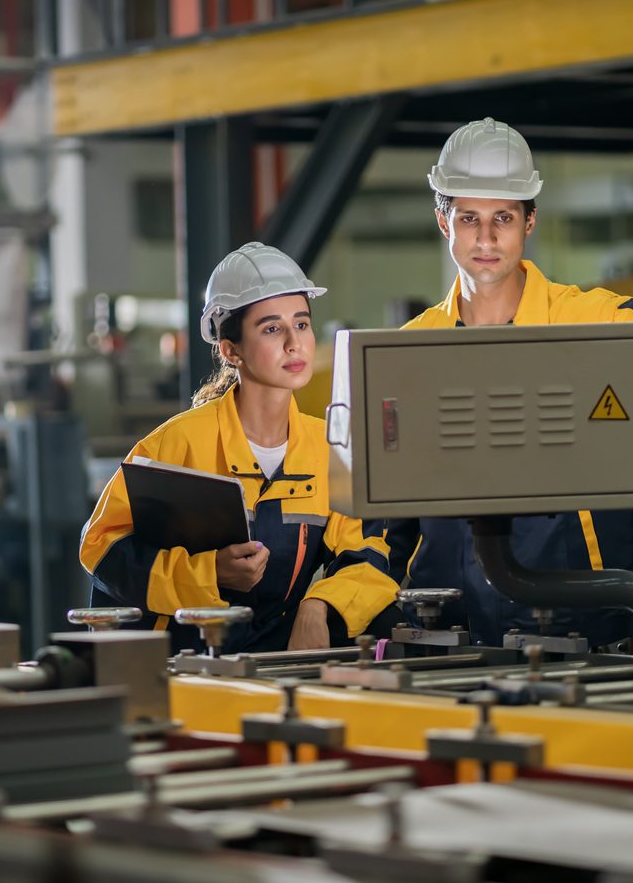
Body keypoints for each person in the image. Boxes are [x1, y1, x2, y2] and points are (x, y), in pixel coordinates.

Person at [382, 118, 633, 648]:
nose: (485, 238)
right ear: (444, 223)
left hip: (583, 619)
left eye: (502, 217)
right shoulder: (411, 347)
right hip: (449, 628)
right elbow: (391, 515)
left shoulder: (585, 317)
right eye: (469, 218)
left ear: (530, 222)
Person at [80, 243, 399, 654]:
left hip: (280, 663)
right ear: (231, 350)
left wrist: (320, 606)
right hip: (182, 665)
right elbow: (101, 547)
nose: (293, 343)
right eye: (271, 329)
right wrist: (207, 573)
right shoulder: (175, 444)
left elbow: (369, 553)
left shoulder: (332, 450)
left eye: (301, 324)